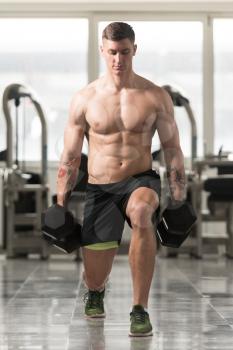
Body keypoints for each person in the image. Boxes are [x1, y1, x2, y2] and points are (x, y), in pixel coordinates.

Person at [56, 22, 186, 337]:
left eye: (125, 52)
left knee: (142, 214)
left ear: (134, 50)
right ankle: (97, 291)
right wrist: (59, 203)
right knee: (95, 276)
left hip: (140, 180)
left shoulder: (155, 97)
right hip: (100, 187)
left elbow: (172, 149)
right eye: (112, 52)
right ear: (103, 51)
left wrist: (179, 198)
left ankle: (139, 309)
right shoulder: (84, 99)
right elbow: (70, 156)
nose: (119, 59)